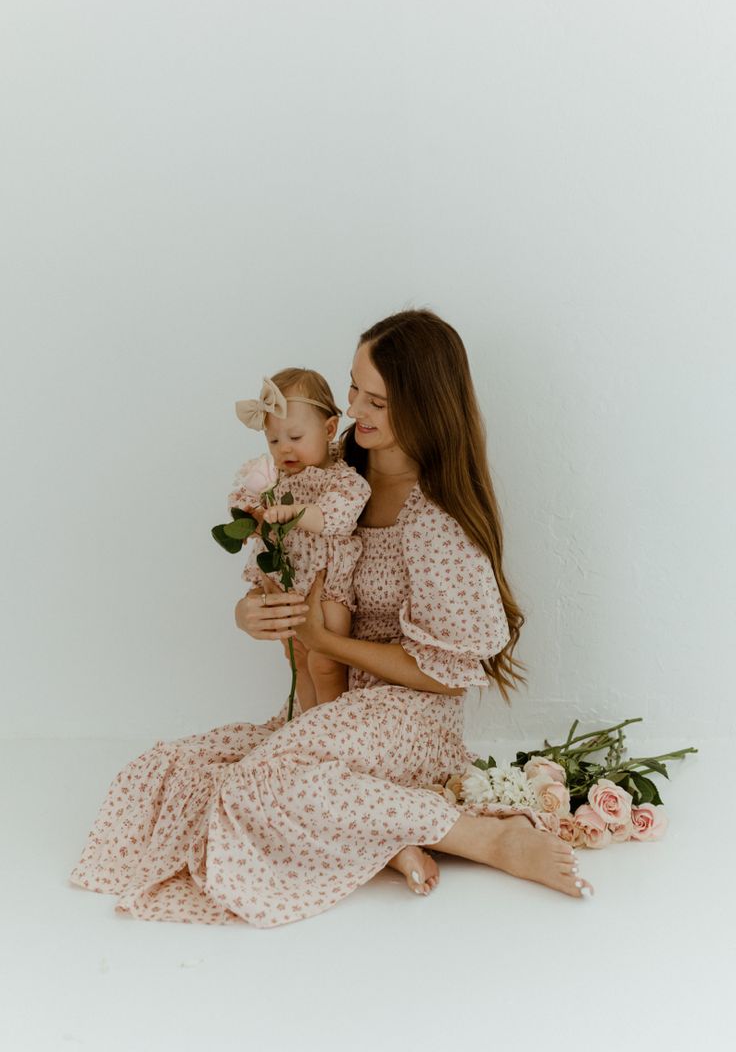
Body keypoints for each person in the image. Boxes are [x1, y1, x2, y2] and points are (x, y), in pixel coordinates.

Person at [69, 308, 594, 926]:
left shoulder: (435, 522)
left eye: (380, 400)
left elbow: (449, 675)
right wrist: (253, 612)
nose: (358, 411)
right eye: (353, 389)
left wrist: (326, 643)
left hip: (408, 715)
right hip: (334, 708)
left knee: (262, 785)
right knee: (178, 771)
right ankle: (390, 835)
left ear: (426, 407)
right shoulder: (325, 474)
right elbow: (280, 561)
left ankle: (480, 837)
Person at [228, 366, 371, 708]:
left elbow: (335, 516)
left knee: (325, 662)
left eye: (295, 438)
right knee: (298, 660)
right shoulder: (275, 480)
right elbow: (245, 504)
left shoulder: (340, 480)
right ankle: (305, 731)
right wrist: (250, 518)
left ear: (329, 430)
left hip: (329, 586)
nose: (284, 449)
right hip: (289, 584)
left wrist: (296, 513)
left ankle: (332, 730)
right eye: (274, 440)